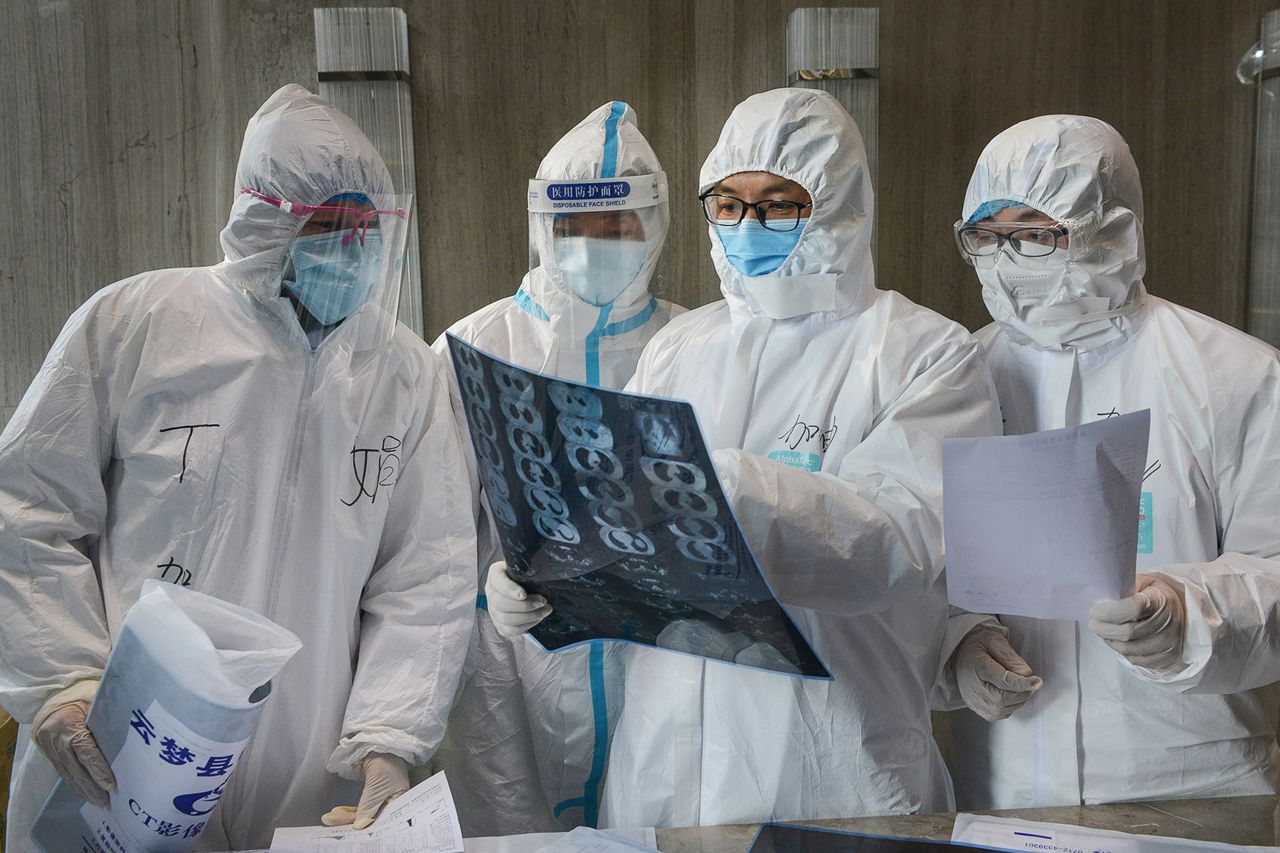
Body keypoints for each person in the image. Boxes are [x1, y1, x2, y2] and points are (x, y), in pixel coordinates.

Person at [486, 87, 1002, 826]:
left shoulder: (923, 353)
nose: (747, 223)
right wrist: (545, 573)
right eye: (727, 203)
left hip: (837, 764)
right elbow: (614, 508)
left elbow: (901, 541)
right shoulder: (680, 345)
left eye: (779, 202)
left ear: (840, 203)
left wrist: (732, 490)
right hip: (665, 759)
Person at [0, 84, 477, 851]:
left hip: (306, 769)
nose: (351, 249)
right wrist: (62, 682)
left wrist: (391, 736)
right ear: (264, 220)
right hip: (125, 745)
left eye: (366, 226)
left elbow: (429, 576)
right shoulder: (139, 325)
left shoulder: (401, 375)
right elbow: (25, 512)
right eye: (327, 226)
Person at [944, 114, 1280, 809]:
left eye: (1037, 234)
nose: (1009, 259)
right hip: (1008, 783)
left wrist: (1188, 614)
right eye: (990, 235)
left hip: (1195, 786)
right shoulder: (955, 379)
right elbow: (923, 559)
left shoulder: (1238, 376)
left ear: (1110, 229)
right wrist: (959, 641)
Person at [431, 101, 683, 835]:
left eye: (618, 226)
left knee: (651, 829)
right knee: (514, 834)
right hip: (508, 673)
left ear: (655, 226)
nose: (595, 245)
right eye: (575, 228)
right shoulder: (469, 348)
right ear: (545, 228)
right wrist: (488, 579)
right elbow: (425, 532)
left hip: (653, 670)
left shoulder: (691, 344)